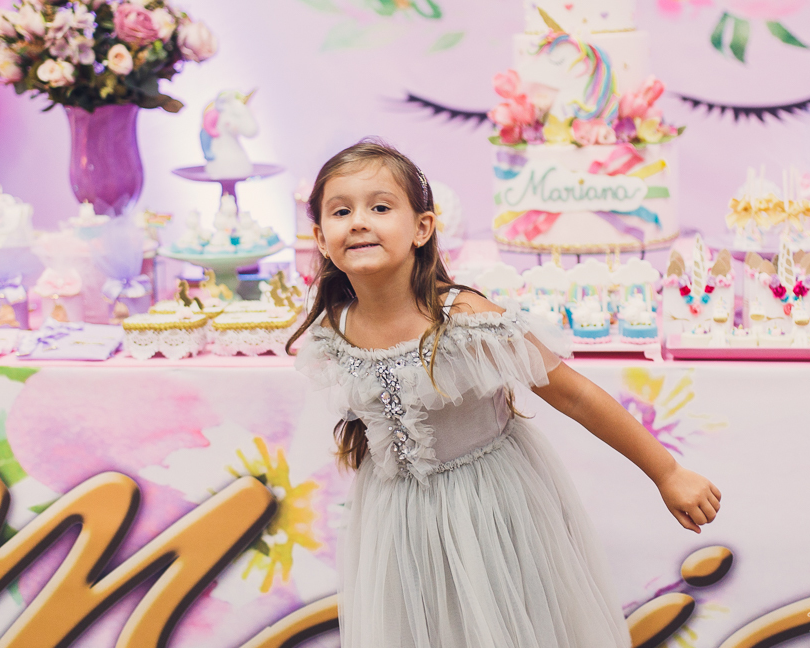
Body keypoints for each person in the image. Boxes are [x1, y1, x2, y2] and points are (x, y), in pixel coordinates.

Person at [288, 139, 721, 648]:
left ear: (423, 228)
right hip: (395, 519)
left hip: (489, 509)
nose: (359, 221)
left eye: (380, 207)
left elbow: (575, 395)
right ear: (320, 236)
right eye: (341, 211)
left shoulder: (467, 321)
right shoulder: (332, 329)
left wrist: (666, 471)